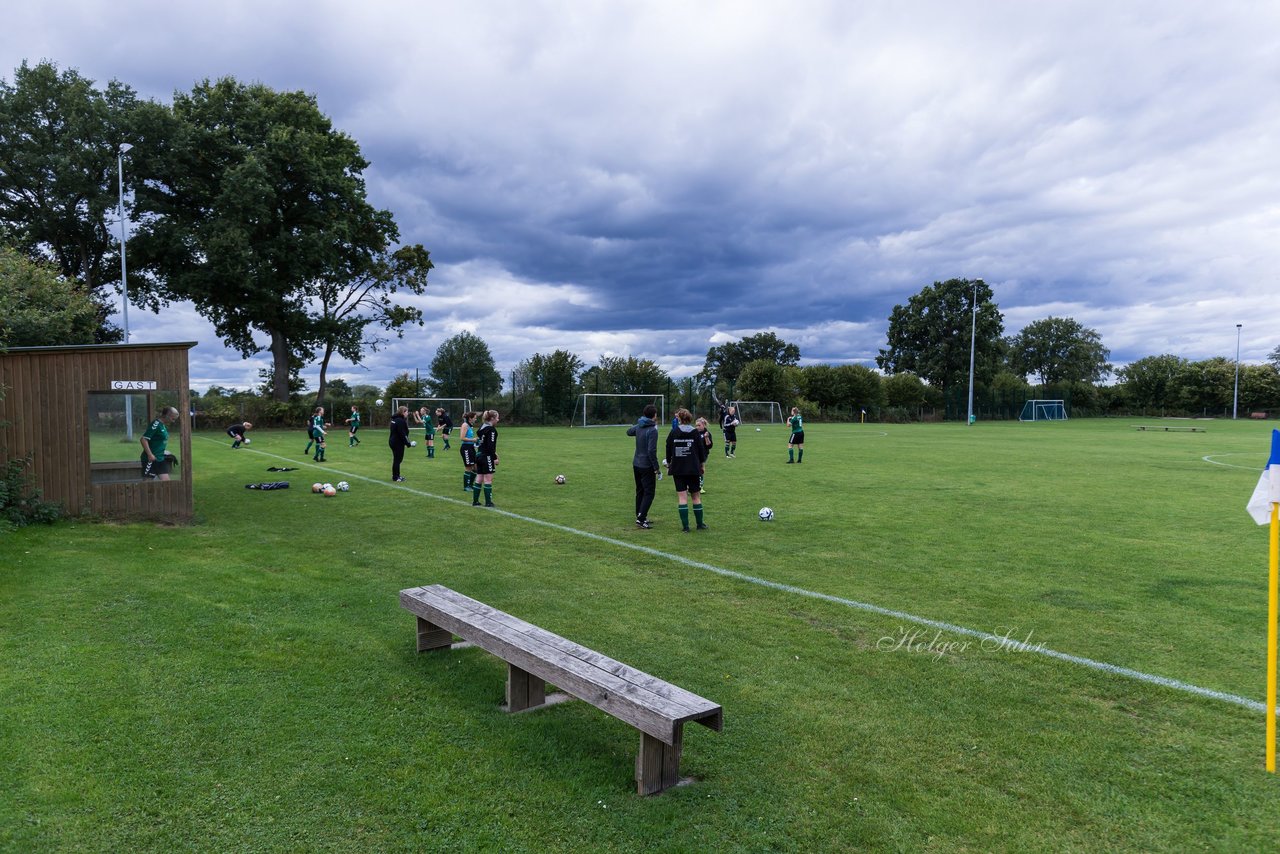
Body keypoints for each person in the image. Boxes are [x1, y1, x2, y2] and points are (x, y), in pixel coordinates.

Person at [665, 408, 708, 532]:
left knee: (682, 498)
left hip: (678, 468)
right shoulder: (695, 433)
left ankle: (685, 527)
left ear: (679, 419)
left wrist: (668, 462)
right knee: (696, 496)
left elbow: (668, 447)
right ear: (689, 419)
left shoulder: (674, 432)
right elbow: (701, 450)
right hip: (693, 468)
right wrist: (702, 465)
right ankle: (700, 525)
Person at [626, 403, 660, 528]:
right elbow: (651, 451)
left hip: (636, 463)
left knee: (640, 491)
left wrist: (639, 423)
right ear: (654, 415)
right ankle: (641, 519)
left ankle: (640, 515)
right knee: (649, 492)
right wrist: (656, 467)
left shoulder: (640, 426)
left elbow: (629, 431)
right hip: (646, 465)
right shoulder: (652, 430)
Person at [140, 406, 181, 481]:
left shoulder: (163, 425)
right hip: (150, 460)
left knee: (167, 484)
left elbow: (158, 441)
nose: (173, 421)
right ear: (167, 415)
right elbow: (143, 439)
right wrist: (150, 455)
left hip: (160, 459)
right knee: (147, 486)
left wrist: (164, 451)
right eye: (173, 418)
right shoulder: (156, 424)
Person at [473, 410, 500, 507]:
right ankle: (488, 502)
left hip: (479, 455)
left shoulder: (482, 427)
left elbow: (481, 442)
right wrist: (494, 458)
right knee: (488, 479)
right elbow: (490, 446)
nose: (498, 419)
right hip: (486, 456)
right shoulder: (491, 430)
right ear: (492, 418)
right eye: (497, 417)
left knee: (479, 477)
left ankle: (475, 501)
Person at [458, 411, 479, 494]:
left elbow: (469, 437)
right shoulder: (465, 425)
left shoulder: (470, 426)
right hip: (466, 448)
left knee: (476, 467)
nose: (476, 419)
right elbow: (462, 438)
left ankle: (470, 484)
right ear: (470, 418)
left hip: (471, 447)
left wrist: (476, 441)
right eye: (475, 418)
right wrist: (473, 440)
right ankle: (466, 486)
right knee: (468, 467)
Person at [389, 405, 411, 482]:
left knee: (397, 460)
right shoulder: (400, 421)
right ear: (403, 412)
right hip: (397, 443)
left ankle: (395, 475)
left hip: (393, 441)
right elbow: (403, 434)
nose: (407, 413)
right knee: (398, 460)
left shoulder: (394, 419)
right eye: (407, 412)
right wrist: (408, 443)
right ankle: (396, 477)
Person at [695, 416, 714, 492]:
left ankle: (700, 487)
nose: (697, 427)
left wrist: (706, 438)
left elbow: (709, 446)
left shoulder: (707, 433)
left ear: (704, 425)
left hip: (703, 454)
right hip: (694, 454)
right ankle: (692, 486)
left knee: (700, 470)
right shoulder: (694, 433)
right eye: (696, 425)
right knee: (694, 470)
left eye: (699, 425)